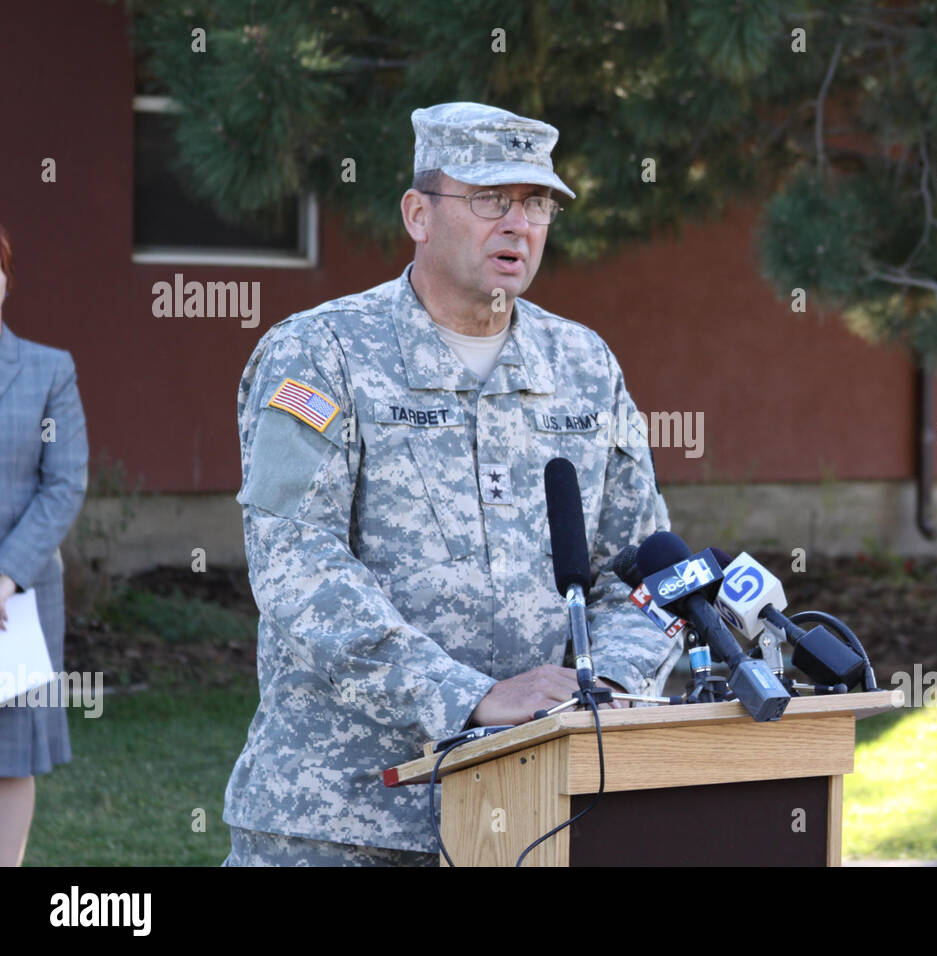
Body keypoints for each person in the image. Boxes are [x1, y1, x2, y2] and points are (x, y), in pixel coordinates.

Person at [221, 103, 679, 866]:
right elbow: (297, 566)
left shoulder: (584, 366)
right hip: (346, 817)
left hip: (534, 813)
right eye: (490, 199)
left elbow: (645, 568)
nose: (518, 224)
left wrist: (609, 686)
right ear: (418, 214)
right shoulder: (321, 353)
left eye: (537, 204)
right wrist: (466, 696)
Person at [0, 224, 90, 866]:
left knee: (10, 758)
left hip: (18, 602)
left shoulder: (48, 369)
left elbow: (64, 485)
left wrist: (4, 575)